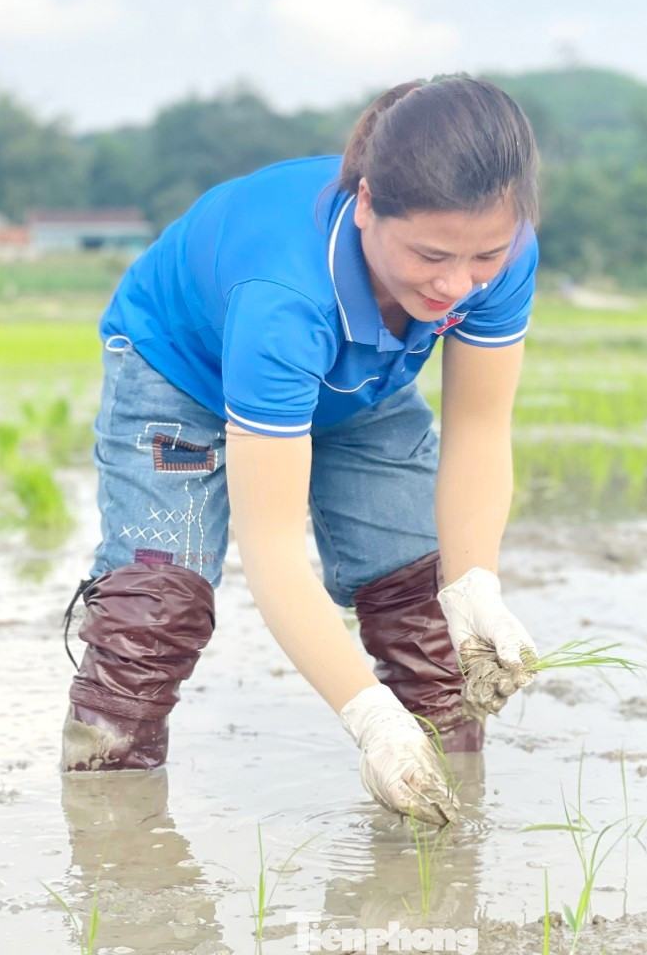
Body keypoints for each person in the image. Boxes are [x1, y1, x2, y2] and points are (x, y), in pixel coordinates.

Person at [61, 76, 541, 827]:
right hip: (187, 371)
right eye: (430, 255)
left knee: (430, 613)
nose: (457, 285)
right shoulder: (283, 293)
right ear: (368, 206)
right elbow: (275, 549)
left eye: (484, 254)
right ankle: (111, 839)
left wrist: (474, 581)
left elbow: (480, 432)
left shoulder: (500, 260)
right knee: (155, 613)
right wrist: (370, 721)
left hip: (359, 388)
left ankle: (445, 835)